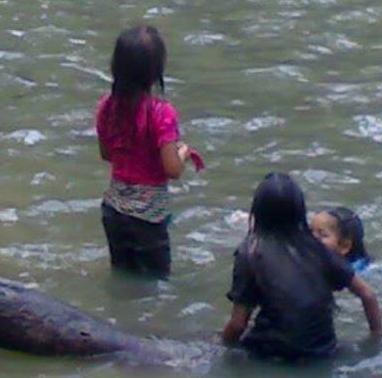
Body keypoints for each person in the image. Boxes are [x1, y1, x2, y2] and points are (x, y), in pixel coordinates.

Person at [222, 173, 381, 359]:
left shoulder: (249, 253)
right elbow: (368, 295)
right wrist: (376, 337)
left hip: (275, 353)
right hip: (324, 350)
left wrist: (223, 348)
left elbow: (238, 325)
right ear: (300, 210)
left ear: (258, 212)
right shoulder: (319, 248)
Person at [96, 25, 198, 278]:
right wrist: (183, 152)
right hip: (147, 218)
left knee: (122, 276)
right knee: (156, 284)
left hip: (113, 212)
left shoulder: (107, 107)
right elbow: (172, 170)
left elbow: (107, 154)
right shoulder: (161, 113)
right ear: (155, 72)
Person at [312, 207, 373, 273]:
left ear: (344, 246)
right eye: (310, 230)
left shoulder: (351, 274)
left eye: (323, 235)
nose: (312, 237)